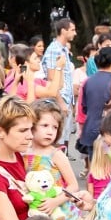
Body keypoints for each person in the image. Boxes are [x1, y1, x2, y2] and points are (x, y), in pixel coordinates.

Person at [77, 46, 111, 156]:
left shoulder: (88, 81)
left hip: (90, 131)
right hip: (110, 133)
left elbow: (84, 108)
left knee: (94, 169)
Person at [42, 19, 76, 148]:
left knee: (64, 139)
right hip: (57, 100)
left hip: (65, 100)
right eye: (72, 30)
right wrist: (61, 102)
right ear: (63, 31)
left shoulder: (63, 49)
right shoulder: (54, 50)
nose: (75, 33)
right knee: (57, 140)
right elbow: (52, 79)